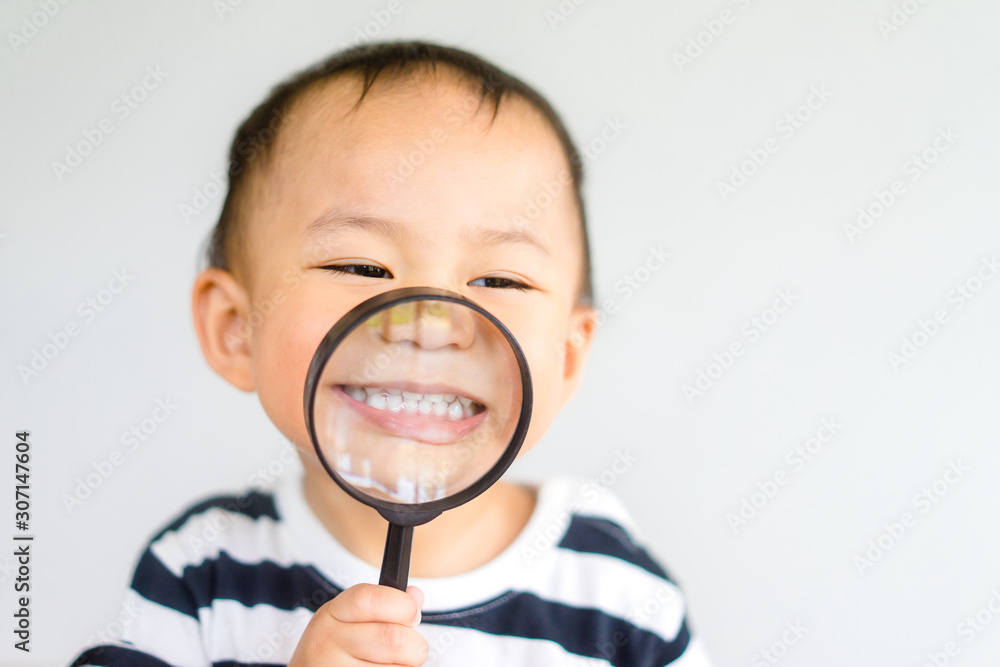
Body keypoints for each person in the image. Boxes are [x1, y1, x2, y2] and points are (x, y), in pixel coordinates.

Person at [69, 40, 712, 666]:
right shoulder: (200, 572)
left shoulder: (619, 597)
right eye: (361, 266)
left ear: (567, 360)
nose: (429, 326)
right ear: (238, 327)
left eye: (499, 282)